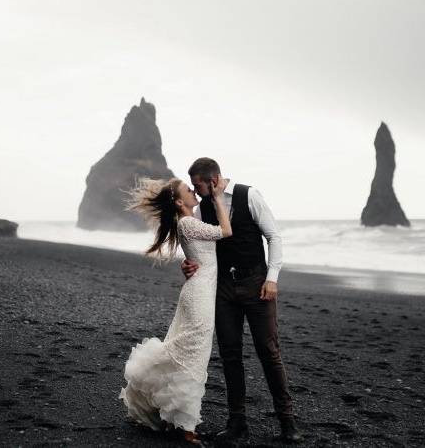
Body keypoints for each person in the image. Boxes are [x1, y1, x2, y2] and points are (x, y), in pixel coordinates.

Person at [182, 157, 301, 443]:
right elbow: (199, 244)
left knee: (269, 352)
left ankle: (287, 422)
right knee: (230, 355)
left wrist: (272, 278)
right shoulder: (204, 207)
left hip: (257, 283)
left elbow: (274, 237)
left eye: (198, 185)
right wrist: (187, 264)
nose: (195, 193)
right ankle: (237, 423)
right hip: (223, 288)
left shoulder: (249, 195)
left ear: (212, 180)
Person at [119, 176, 232, 445]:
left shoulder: (189, 222)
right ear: (180, 202)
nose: (194, 191)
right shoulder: (188, 222)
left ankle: (178, 418)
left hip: (199, 292)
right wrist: (217, 197)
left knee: (189, 353)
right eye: (188, 190)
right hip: (199, 295)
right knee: (193, 356)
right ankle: (186, 426)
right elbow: (226, 232)